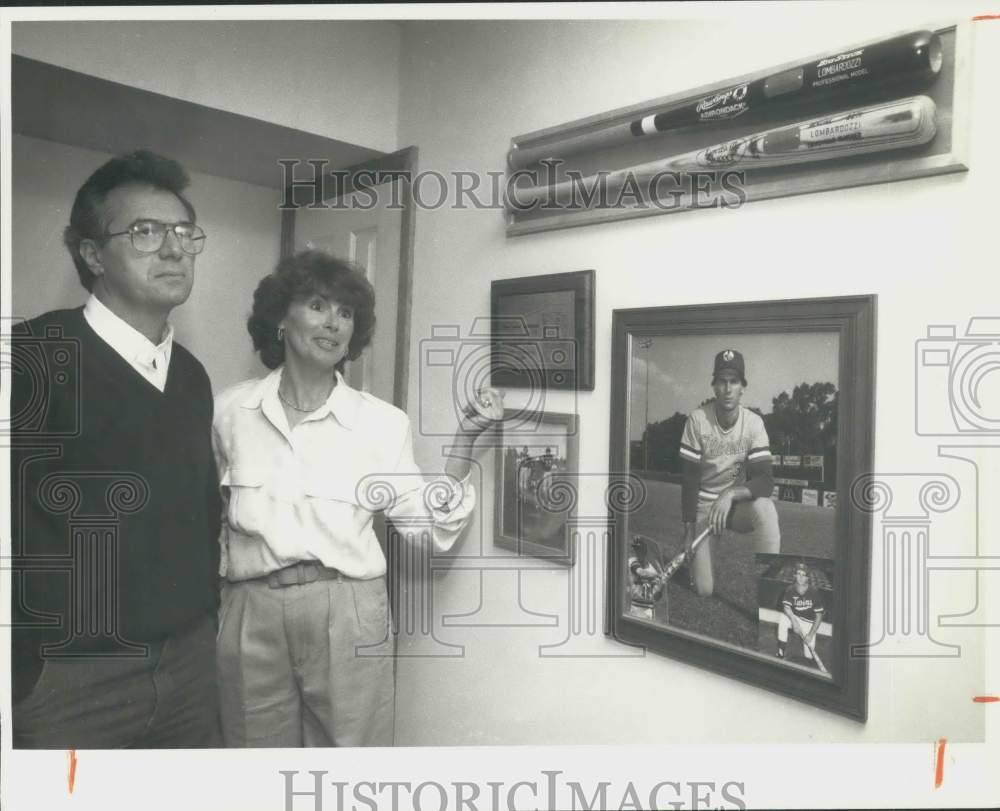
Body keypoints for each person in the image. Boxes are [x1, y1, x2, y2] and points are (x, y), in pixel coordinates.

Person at [212, 250, 501, 747]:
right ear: (281, 317)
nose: (334, 324)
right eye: (318, 305)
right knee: (250, 765)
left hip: (347, 610)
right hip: (249, 609)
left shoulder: (381, 423)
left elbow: (426, 527)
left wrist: (465, 440)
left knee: (349, 767)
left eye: (346, 313)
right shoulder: (229, 411)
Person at [10, 150, 222, 748]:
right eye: (146, 232)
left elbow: (202, 514)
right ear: (92, 253)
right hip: (70, 685)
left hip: (188, 670)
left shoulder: (192, 376)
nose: (175, 249)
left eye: (184, 232)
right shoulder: (32, 356)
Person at [679, 349, 780, 597]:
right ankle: (691, 563)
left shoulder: (754, 423)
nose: (727, 388)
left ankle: (771, 593)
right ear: (714, 386)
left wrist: (731, 494)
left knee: (765, 507)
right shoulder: (697, 420)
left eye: (733, 381)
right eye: (722, 381)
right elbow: (690, 479)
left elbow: (765, 481)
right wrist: (688, 531)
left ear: (742, 387)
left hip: (733, 508)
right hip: (704, 507)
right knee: (704, 590)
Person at [777, 562, 825, 664]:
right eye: (798, 574)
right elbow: (786, 608)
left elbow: (819, 616)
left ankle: (809, 655)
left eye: (803, 575)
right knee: (783, 619)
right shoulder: (790, 589)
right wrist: (794, 622)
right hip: (796, 618)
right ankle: (781, 652)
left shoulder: (813, 592)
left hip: (809, 622)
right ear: (795, 575)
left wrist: (811, 635)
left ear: (807, 578)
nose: (801, 577)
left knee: (808, 656)